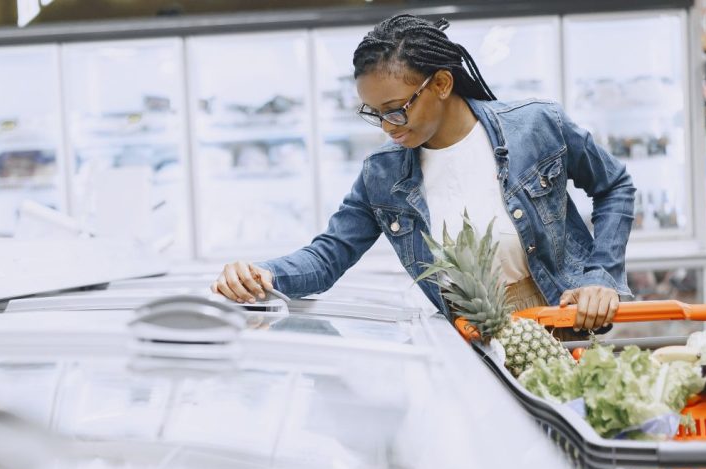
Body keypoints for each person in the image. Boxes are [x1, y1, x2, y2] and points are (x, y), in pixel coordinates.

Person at [210, 13, 635, 332]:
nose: (387, 126)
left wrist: (601, 276)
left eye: (396, 109)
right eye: (373, 114)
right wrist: (263, 274)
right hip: (469, 344)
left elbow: (615, 185)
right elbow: (328, 256)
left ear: (442, 84)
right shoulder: (383, 175)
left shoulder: (536, 126)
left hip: (567, 327)